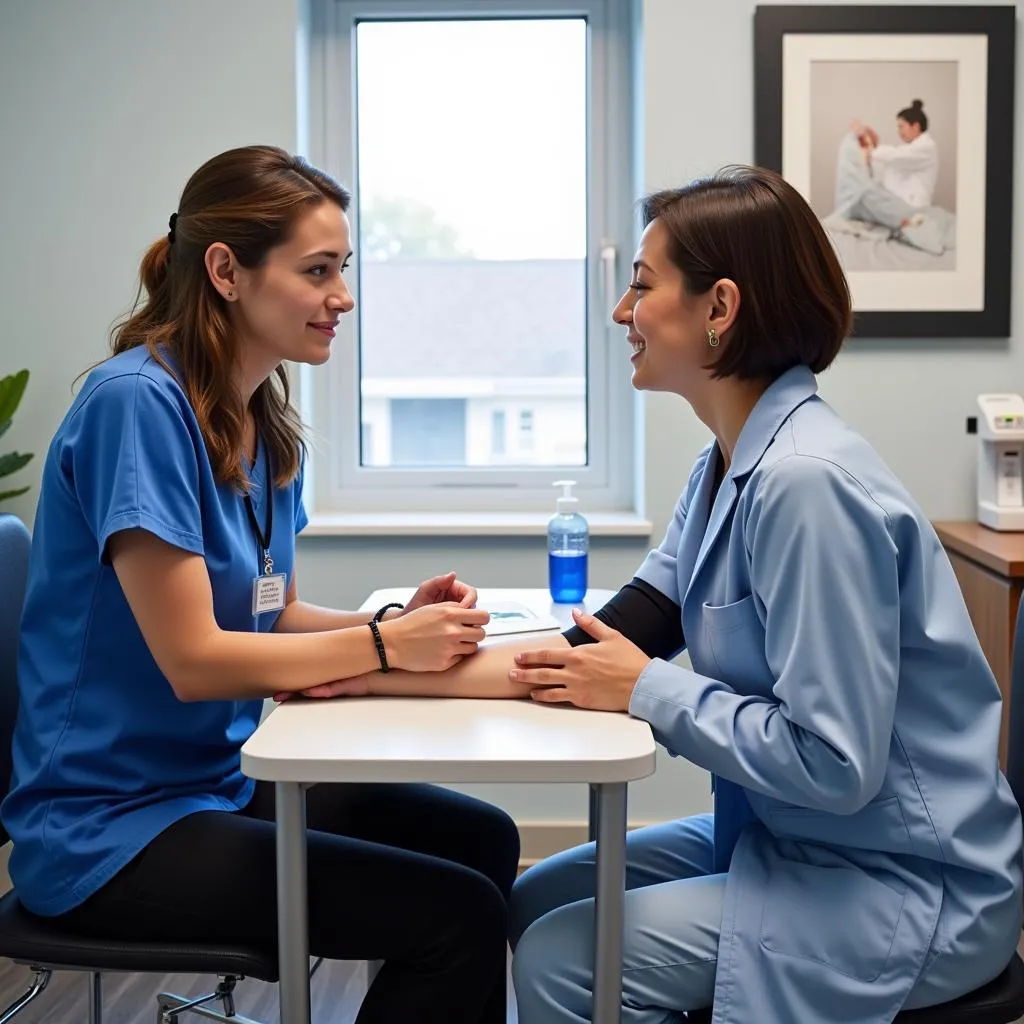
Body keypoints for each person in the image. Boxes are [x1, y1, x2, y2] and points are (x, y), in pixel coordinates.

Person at [289, 165, 1024, 1024]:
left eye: (641, 286)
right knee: (531, 901)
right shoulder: (725, 466)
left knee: (569, 959)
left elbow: (837, 765)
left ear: (720, 309)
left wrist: (647, 688)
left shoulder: (807, 486)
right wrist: (374, 668)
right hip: (793, 842)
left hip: (903, 882)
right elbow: (597, 649)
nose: (621, 312)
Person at [1, 145, 518, 1024]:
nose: (342, 296)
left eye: (343, 269)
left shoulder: (259, 422)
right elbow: (196, 660)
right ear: (226, 271)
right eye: (318, 271)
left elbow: (268, 618)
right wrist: (388, 645)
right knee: (454, 917)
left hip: (216, 782)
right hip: (107, 829)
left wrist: (386, 620)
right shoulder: (136, 405)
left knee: (480, 840)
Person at [829, 99, 948, 255]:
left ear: (916, 126)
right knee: (865, 193)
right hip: (899, 204)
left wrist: (870, 151)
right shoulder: (909, 150)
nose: (899, 131)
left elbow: (895, 156)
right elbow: (887, 170)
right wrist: (871, 149)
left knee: (865, 193)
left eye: (901, 126)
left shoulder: (926, 147)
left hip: (912, 206)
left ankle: (909, 224)